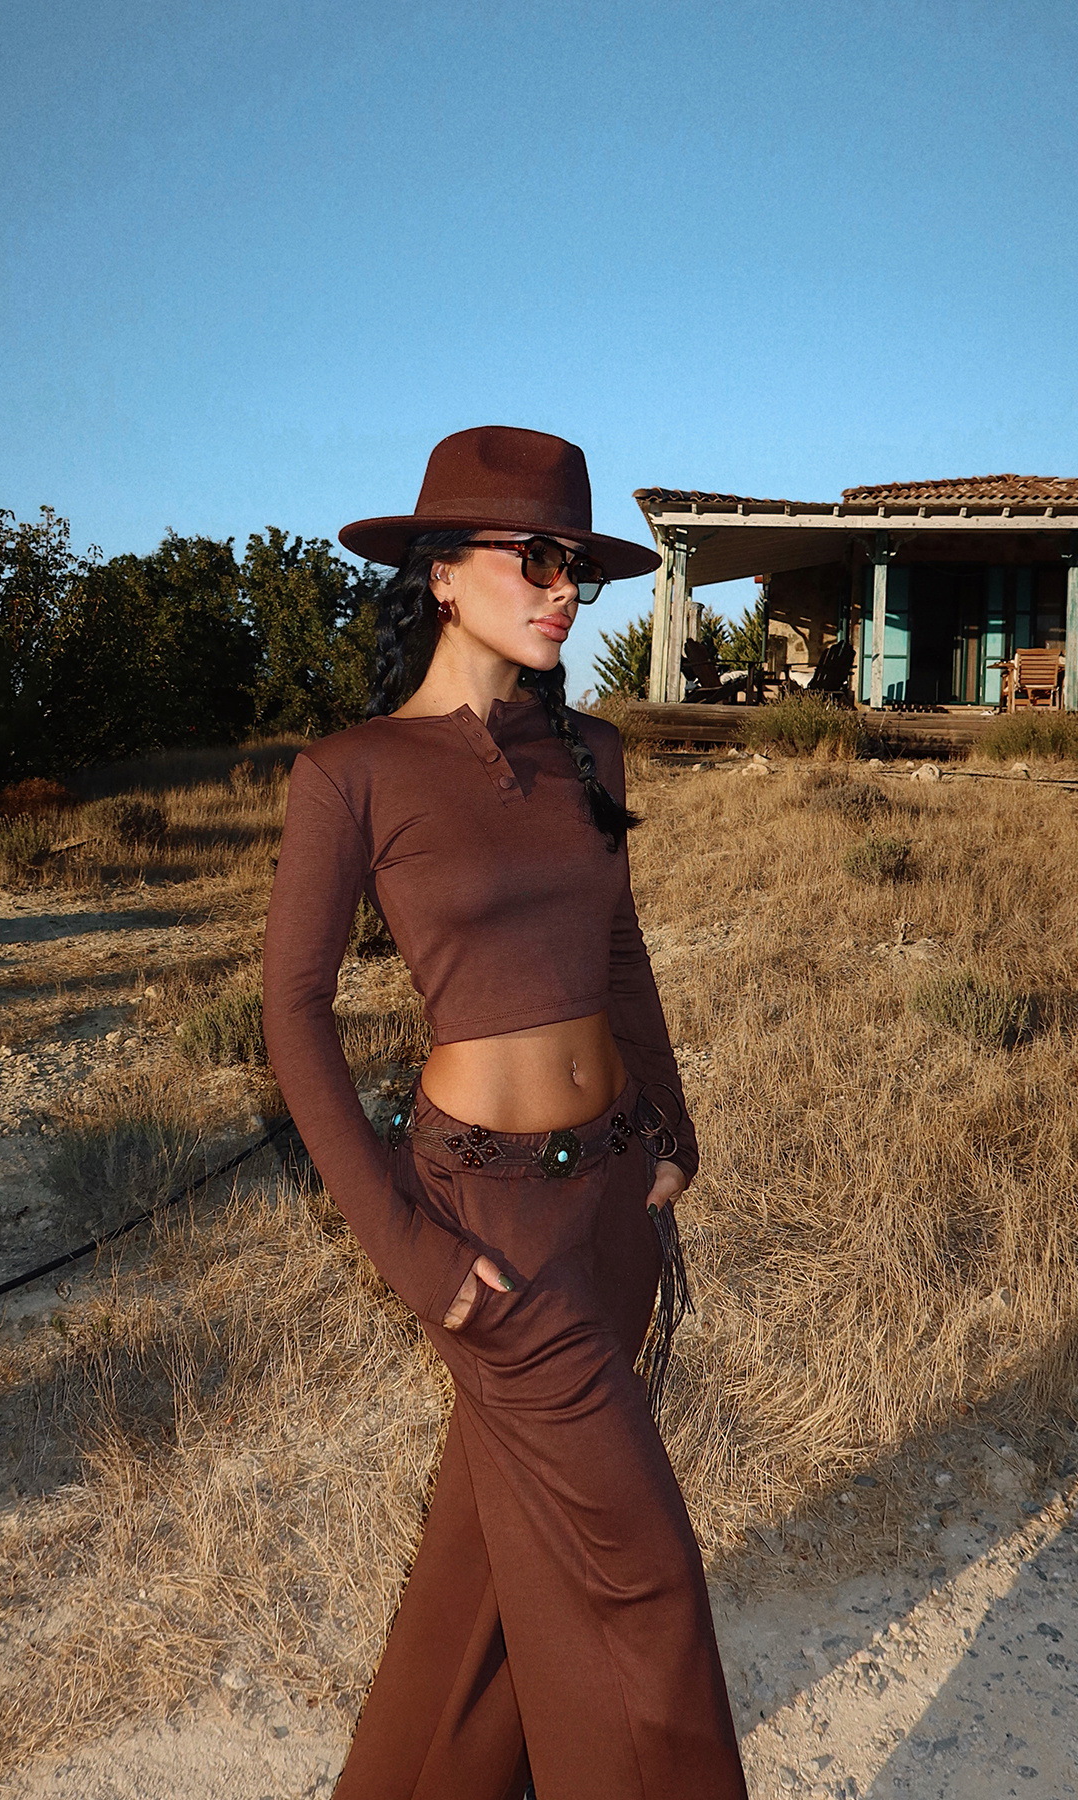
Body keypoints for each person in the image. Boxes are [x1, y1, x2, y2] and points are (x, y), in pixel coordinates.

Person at [262, 426, 747, 1800]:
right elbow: (293, 1015)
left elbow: (619, 953)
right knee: (644, 1581)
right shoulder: (352, 772)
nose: (564, 590)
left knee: (483, 1569)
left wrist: (669, 1129)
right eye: (535, 559)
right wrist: (410, 1251)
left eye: (576, 566)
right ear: (439, 572)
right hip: (487, 1226)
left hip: (613, 1198)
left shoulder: (590, 751)